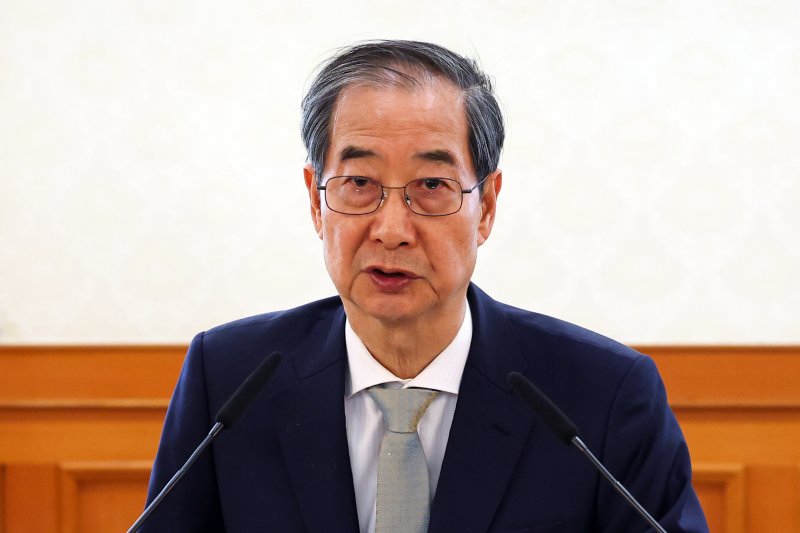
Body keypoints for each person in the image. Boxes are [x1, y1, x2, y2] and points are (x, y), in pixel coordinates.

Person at [143, 40, 708, 532]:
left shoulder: (602, 396)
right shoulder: (229, 380)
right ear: (316, 200)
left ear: (486, 207)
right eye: (359, 183)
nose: (391, 229)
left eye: (432, 185)